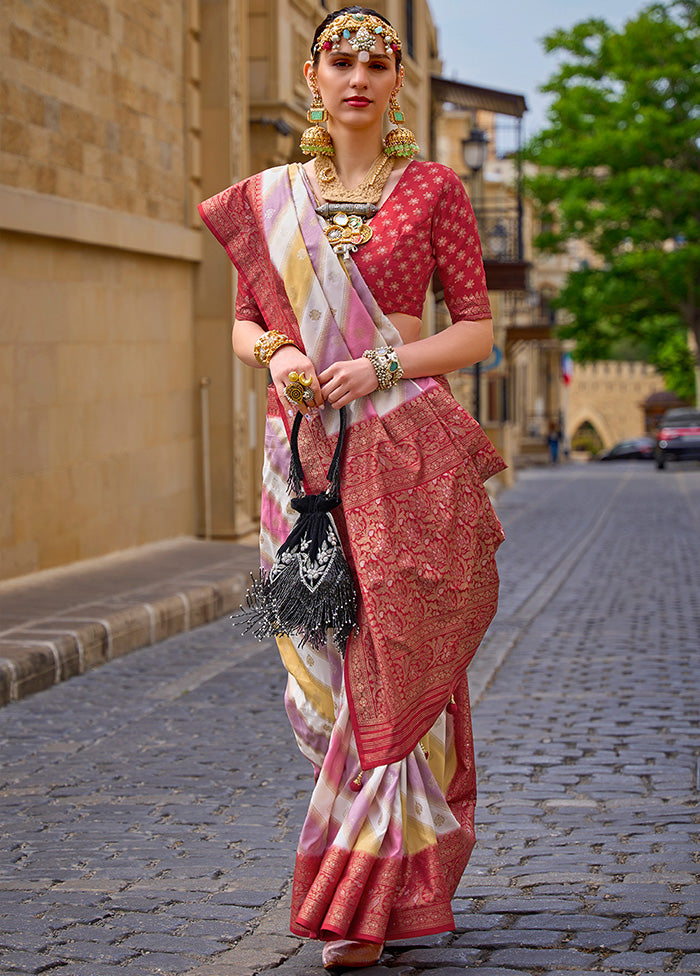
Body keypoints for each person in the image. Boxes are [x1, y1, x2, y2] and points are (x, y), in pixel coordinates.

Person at [199, 7, 505, 970]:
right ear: (312, 75)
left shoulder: (434, 191)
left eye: (379, 61)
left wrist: (382, 362)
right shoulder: (269, 197)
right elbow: (243, 326)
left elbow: (477, 331)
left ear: (399, 78)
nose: (360, 77)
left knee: (400, 658)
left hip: (405, 449)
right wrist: (282, 352)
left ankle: (368, 902)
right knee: (318, 675)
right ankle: (380, 862)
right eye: (344, 61)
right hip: (302, 463)